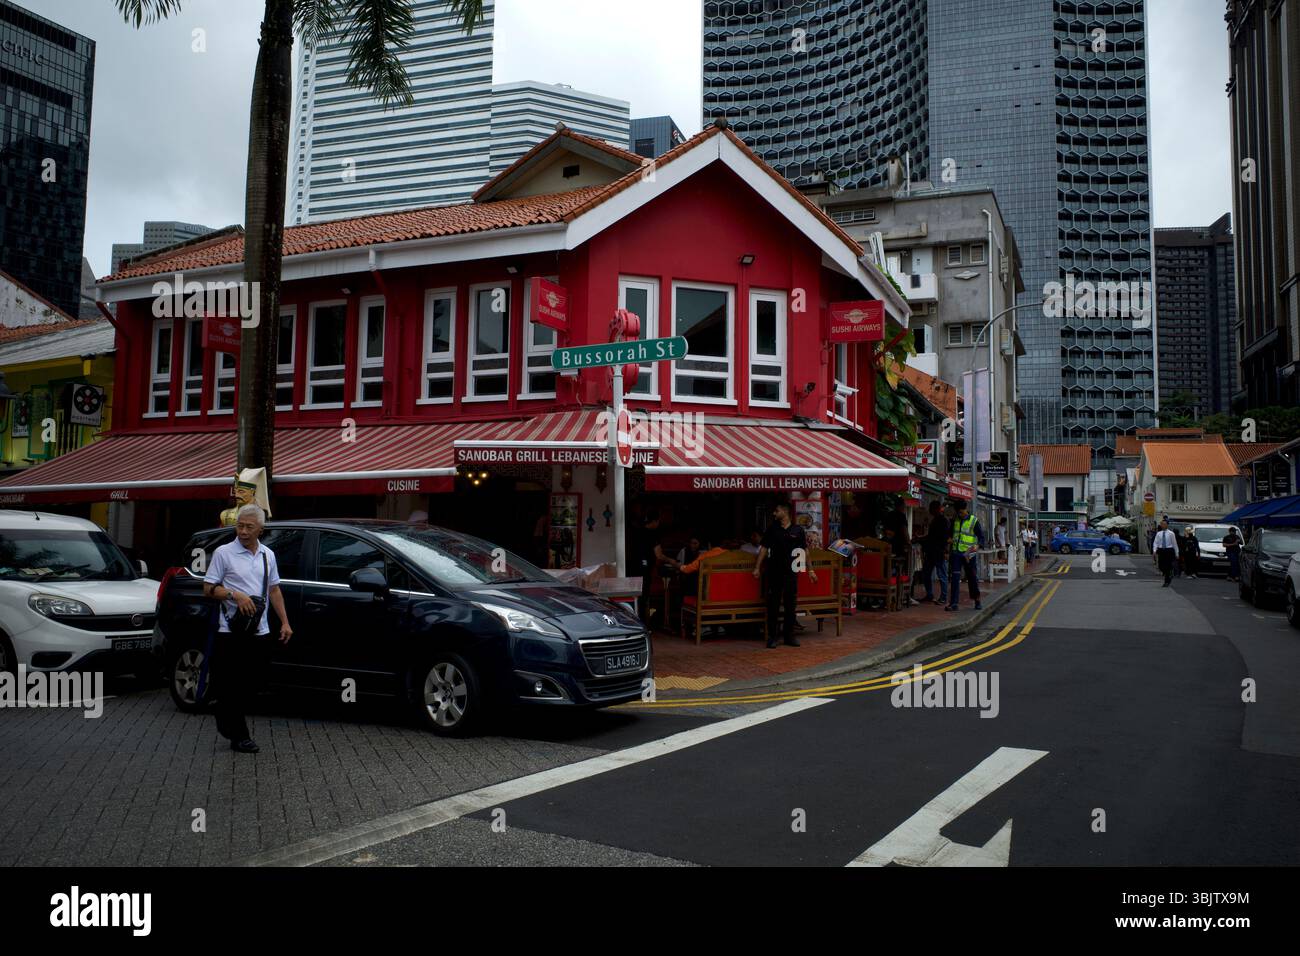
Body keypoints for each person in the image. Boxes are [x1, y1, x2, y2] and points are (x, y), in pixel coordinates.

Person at [202, 504, 293, 753]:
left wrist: (284, 622)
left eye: (248, 527)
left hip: (259, 629)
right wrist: (235, 595)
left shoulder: (267, 555)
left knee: (254, 681)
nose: (242, 531)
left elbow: (274, 590)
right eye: (239, 526)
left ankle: (224, 712)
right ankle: (239, 736)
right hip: (230, 629)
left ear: (260, 530)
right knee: (233, 683)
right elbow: (208, 588)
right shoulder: (224, 553)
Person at [753, 503, 817, 648]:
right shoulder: (772, 529)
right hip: (774, 572)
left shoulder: (798, 530)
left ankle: (789, 636)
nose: (774, 513)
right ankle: (772, 637)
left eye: (777, 510)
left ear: (785, 512)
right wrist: (757, 567)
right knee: (773, 605)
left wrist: (811, 570)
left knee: (790, 606)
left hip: (791, 573)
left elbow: (804, 551)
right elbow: (764, 548)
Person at [946, 499, 985, 612]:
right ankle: (954, 603)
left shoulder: (974, 521)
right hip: (956, 553)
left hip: (969, 554)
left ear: (966, 510)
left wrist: (978, 546)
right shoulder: (955, 520)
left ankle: (977, 600)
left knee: (972, 578)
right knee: (955, 578)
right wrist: (949, 540)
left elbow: (981, 537)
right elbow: (950, 534)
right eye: (958, 513)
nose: (960, 515)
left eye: (961, 512)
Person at [881, 499, 913, 606]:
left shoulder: (889, 515)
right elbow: (904, 531)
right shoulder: (901, 516)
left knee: (887, 569)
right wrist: (909, 543)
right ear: (901, 506)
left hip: (887, 547)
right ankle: (898, 596)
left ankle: (887, 594)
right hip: (898, 548)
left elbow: (885, 531)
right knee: (900, 570)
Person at [919, 501, 950, 605]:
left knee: (942, 574)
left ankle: (943, 597)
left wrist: (945, 550)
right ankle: (930, 595)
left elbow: (945, 538)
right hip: (931, 551)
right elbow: (931, 536)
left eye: (931, 508)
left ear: (936, 509)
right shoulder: (936, 520)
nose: (930, 510)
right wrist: (921, 538)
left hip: (939, 552)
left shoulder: (943, 521)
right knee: (926, 573)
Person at [1154, 519, 1178, 587]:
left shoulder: (1171, 533)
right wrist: (1154, 550)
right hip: (1161, 550)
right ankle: (1170, 573)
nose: (1163, 525)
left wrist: (1177, 553)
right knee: (1161, 566)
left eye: (1164, 524)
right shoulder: (1158, 533)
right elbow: (1156, 542)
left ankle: (1167, 581)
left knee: (1167, 566)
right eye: (1162, 524)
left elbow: (1174, 544)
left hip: (1169, 551)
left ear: (1167, 525)